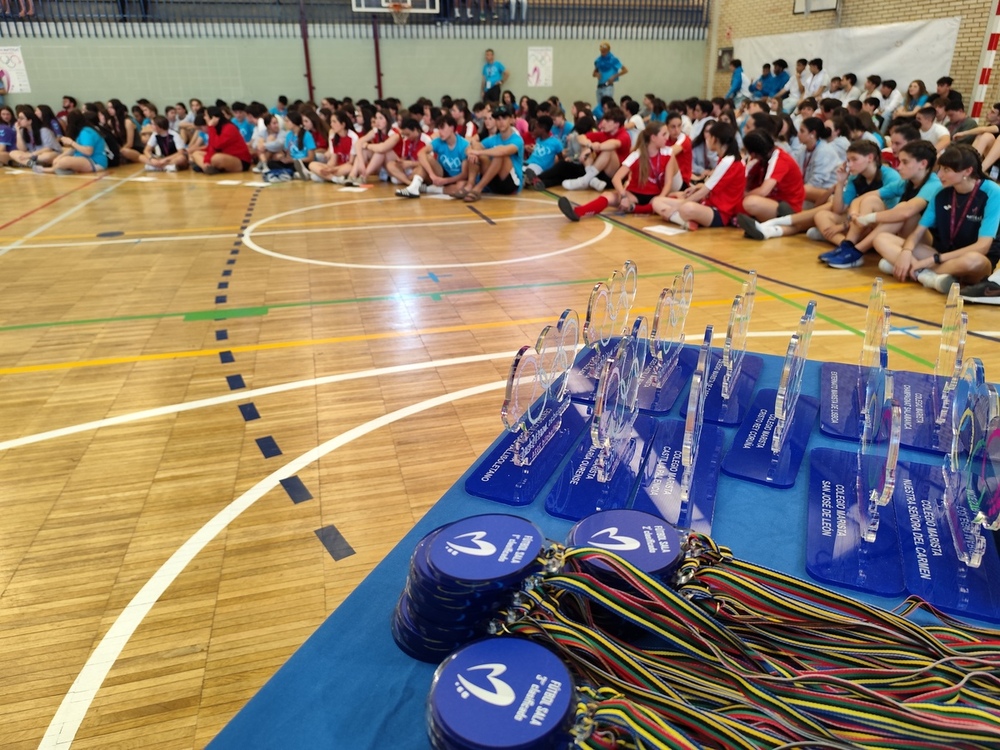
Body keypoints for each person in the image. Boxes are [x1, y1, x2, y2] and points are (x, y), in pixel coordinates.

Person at [876, 144, 999, 294]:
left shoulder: (992, 192)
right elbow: (918, 233)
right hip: (942, 254)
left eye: (946, 170)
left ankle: (916, 270)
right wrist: (906, 252)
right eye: (940, 168)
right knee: (881, 238)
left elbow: (982, 247)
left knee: (974, 260)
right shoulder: (941, 192)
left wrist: (932, 260)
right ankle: (926, 275)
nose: (939, 175)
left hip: (972, 261)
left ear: (967, 171)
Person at [558, 122, 674, 221]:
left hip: (655, 196)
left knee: (671, 200)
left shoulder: (668, 153)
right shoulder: (636, 155)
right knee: (608, 196)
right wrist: (623, 196)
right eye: (664, 134)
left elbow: (668, 182)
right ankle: (578, 212)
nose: (667, 138)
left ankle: (634, 208)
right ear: (653, 138)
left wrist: (661, 198)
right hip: (633, 195)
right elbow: (616, 178)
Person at [652, 121, 745, 230]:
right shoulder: (726, 159)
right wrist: (695, 188)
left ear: (715, 139)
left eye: (708, 137)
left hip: (720, 212)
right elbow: (715, 186)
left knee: (687, 208)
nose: (706, 140)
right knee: (657, 201)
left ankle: (677, 216)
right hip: (707, 203)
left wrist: (676, 206)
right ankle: (682, 220)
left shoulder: (729, 162)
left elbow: (703, 192)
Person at [395, 114, 470, 198]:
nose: (439, 132)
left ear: (452, 128)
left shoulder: (464, 145)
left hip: (457, 177)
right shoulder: (438, 141)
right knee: (427, 157)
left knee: (461, 187)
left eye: (442, 128)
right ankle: (414, 188)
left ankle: (427, 189)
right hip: (441, 173)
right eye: (438, 129)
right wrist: (432, 175)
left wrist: (445, 181)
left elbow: (464, 174)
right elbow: (421, 153)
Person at [461, 105, 524, 202]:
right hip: (494, 183)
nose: (501, 121)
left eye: (504, 118)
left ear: (511, 119)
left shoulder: (517, 139)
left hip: (511, 184)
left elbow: (503, 150)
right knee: (477, 153)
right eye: (498, 119)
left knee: (499, 155)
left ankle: (478, 188)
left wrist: (477, 151)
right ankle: (470, 185)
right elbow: (470, 146)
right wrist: (471, 152)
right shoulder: (494, 138)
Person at [739, 130, 805, 222]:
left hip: (789, 206)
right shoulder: (762, 160)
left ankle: (778, 222)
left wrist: (740, 197)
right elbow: (745, 183)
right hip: (773, 201)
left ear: (753, 153)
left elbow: (763, 191)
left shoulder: (779, 160)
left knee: (749, 203)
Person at [33, 109, 108, 175]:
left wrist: (71, 142)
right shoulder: (82, 131)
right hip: (86, 159)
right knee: (60, 159)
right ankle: (62, 169)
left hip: (95, 162)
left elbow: (88, 151)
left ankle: (47, 170)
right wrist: (60, 156)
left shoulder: (86, 132)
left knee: (64, 161)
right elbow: (74, 149)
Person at [191, 106, 252, 174]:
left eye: (206, 116)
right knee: (196, 153)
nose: (204, 118)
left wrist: (211, 127)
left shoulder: (229, 127)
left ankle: (208, 168)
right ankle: (206, 168)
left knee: (216, 158)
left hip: (240, 160)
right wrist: (206, 162)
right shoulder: (216, 128)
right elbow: (212, 148)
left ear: (213, 117)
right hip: (225, 155)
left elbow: (217, 145)